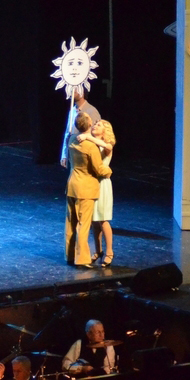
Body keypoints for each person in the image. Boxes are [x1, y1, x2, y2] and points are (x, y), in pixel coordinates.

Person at [65, 111, 111, 267]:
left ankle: (70, 255)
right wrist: (109, 171)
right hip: (85, 188)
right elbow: (99, 169)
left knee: (70, 223)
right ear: (89, 124)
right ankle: (82, 259)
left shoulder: (72, 139)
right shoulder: (90, 146)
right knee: (83, 225)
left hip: (72, 185)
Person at [78, 119, 116, 266]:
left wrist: (88, 137)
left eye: (98, 125)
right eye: (94, 124)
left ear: (105, 131)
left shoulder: (107, 145)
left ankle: (110, 252)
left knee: (103, 219)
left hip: (102, 184)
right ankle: (98, 250)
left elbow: (107, 147)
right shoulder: (92, 144)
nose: (95, 126)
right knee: (94, 220)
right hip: (92, 183)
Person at [61, 86, 101, 168]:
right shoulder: (72, 110)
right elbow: (67, 133)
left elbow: (98, 135)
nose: (72, 91)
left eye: (75, 89)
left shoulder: (92, 111)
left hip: (85, 155)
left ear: (82, 92)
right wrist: (64, 155)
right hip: (73, 154)